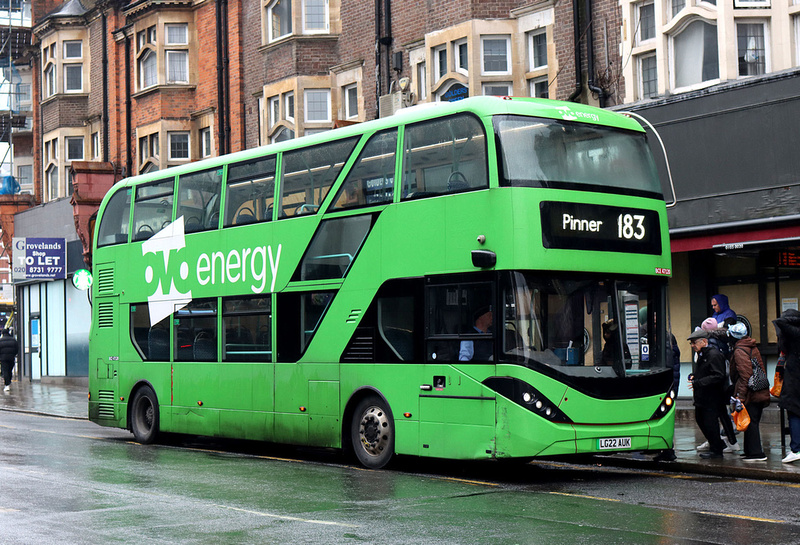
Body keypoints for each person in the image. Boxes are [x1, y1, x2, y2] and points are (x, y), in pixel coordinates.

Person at [727, 322, 769, 461]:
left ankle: (756, 453)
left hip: (751, 392)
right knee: (751, 420)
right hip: (759, 389)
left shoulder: (739, 350)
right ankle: (750, 451)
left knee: (750, 421)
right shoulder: (750, 345)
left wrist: (740, 397)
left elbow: (745, 375)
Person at [687, 329, 728, 459]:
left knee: (710, 423)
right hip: (703, 397)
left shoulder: (714, 355)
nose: (692, 345)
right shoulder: (702, 355)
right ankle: (717, 445)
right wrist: (695, 376)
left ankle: (716, 450)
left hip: (712, 397)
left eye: (694, 343)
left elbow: (718, 375)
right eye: (691, 343)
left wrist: (699, 382)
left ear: (704, 342)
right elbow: (705, 372)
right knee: (700, 420)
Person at [772, 309, 800, 464]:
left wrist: (788, 320)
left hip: (794, 378)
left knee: (794, 413)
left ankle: (796, 449)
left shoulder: (792, 333)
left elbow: (780, 322)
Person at [654, 332, 681, 462]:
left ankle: (668, 450)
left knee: (665, 418)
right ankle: (666, 449)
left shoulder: (666, 351)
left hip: (666, 387)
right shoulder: (670, 349)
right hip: (670, 386)